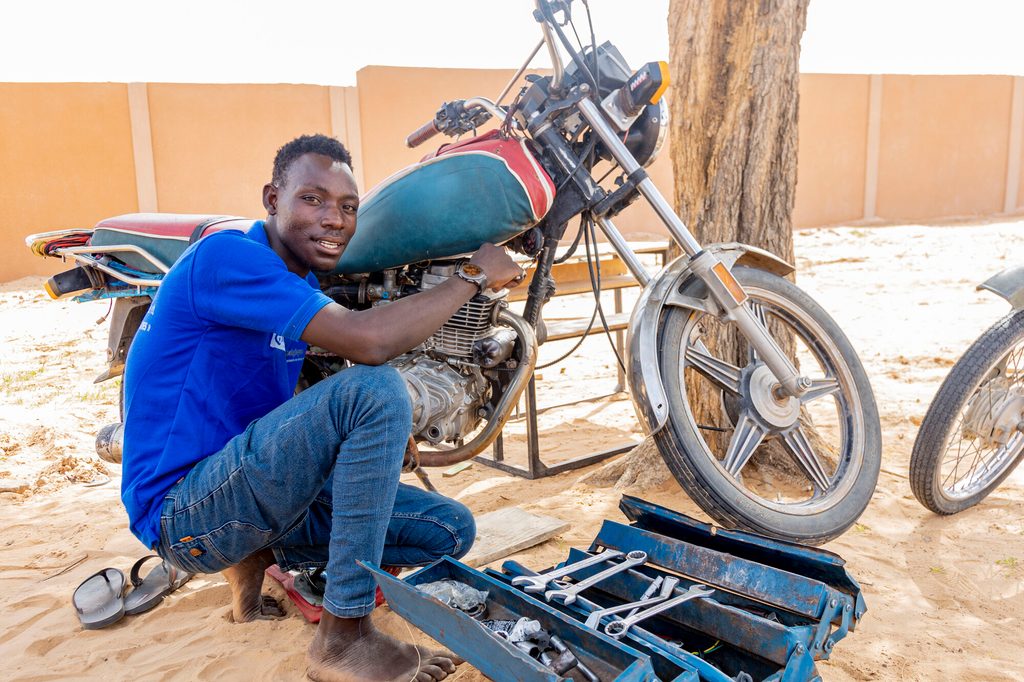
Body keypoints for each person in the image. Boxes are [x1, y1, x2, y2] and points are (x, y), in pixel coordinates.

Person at [120, 133, 524, 682]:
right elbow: (370, 344)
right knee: (376, 388)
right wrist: (471, 277)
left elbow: (287, 409)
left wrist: (370, 444)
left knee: (449, 530)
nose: (334, 219)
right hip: (182, 513)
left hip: (236, 491)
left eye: (348, 207)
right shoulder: (227, 254)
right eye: (313, 199)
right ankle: (344, 637)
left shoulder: (299, 280)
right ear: (271, 199)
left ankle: (252, 565)